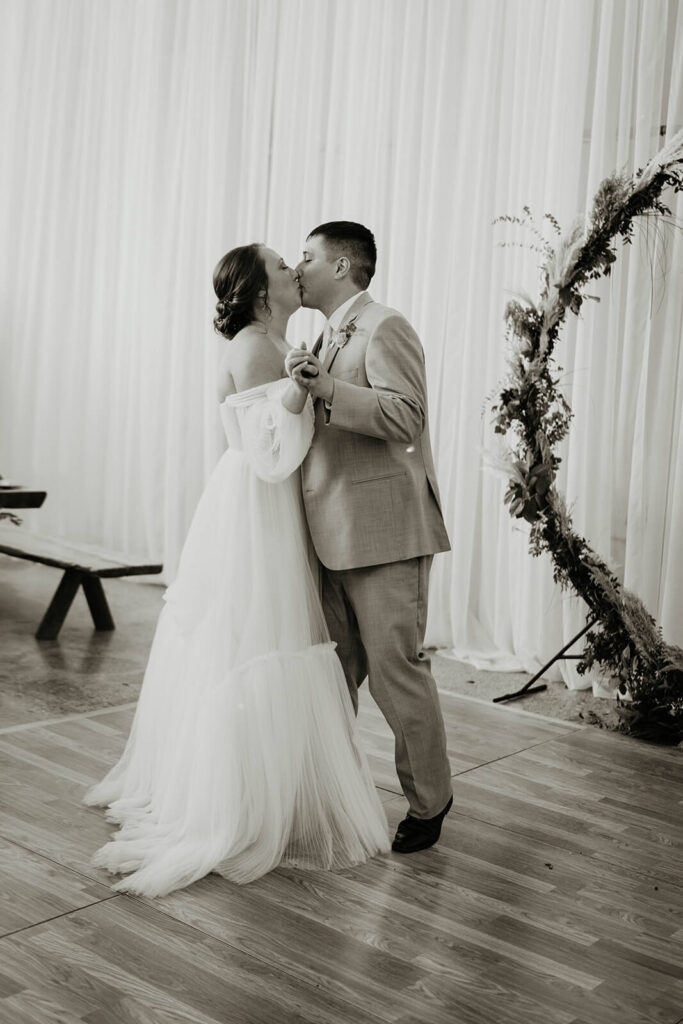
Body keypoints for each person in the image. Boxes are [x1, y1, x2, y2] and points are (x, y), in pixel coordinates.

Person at [84, 243, 390, 897]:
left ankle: (272, 792)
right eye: (283, 265)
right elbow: (266, 451)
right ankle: (245, 805)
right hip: (257, 502)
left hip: (267, 501)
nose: (293, 271)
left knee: (268, 638)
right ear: (258, 290)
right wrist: (294, 392)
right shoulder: (257, 345)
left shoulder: (281, 338)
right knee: (261, 640)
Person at [285, 221, 453, 855]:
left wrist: (326, 388)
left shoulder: (385, 326)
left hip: (385, 532)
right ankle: (327, 790)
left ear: (342, 266)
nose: (297, 266)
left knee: (393, 672)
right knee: (335, 672)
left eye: (307, 255)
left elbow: (407, 415)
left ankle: (430, 800)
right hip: (331, 531)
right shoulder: (323, 335)